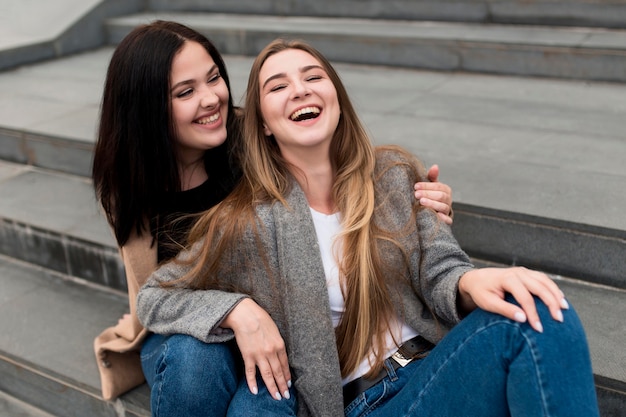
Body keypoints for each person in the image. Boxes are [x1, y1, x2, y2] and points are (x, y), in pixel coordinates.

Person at [137, 38, 600, 417]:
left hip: (436, 369)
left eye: (313, 77)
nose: (300, 90)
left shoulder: (394, 174)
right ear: (263, 127)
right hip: (369, 402)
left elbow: (440, 267)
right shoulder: (243, 224)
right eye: (278, 86)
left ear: (336, 98)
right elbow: (155, 296)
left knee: (541, 311)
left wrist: (471, 280)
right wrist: (237, 310)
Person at [90, 20, 455, 413]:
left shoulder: (255, 138)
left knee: (263, 401)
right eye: (186, 92)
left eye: (214, 78)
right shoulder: (130, 179)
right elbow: (155, 292)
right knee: (193, 358)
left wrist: (418, 200)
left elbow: (342, 160)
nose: (211, 98)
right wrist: (235, 311)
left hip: (281, 324)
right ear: (148, 109)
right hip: (189, 322)